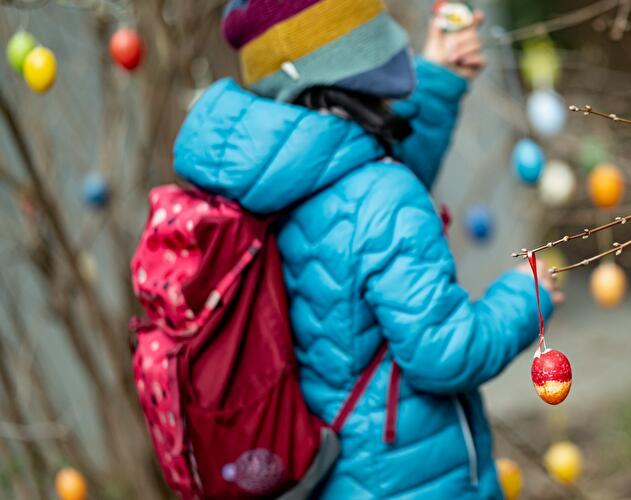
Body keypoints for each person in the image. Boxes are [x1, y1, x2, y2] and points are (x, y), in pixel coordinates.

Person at [172, 0, 560, 497]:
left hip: (342, 473)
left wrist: (436, 82)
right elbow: (443, 351)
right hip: (418, 479)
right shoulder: (379, 192)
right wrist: (526, 299)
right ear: (349, 60)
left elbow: (369, 204)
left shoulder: (272, 176)